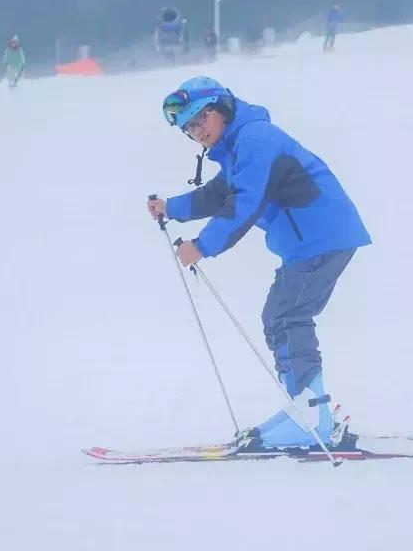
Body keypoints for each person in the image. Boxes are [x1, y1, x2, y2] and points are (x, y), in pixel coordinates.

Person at [147, 76, 371, 449]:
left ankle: (312, 416)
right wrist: (173, 208)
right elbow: (220, 193)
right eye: (189, 127)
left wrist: (202, 246)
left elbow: (244, 203)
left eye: (200, 119)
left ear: (221, 109)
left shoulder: (256, 140)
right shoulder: (238, 146)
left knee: (290, 315)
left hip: (322, 237)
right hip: (308, 243)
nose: (196, 131)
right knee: (278, 317)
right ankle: (304, 409)